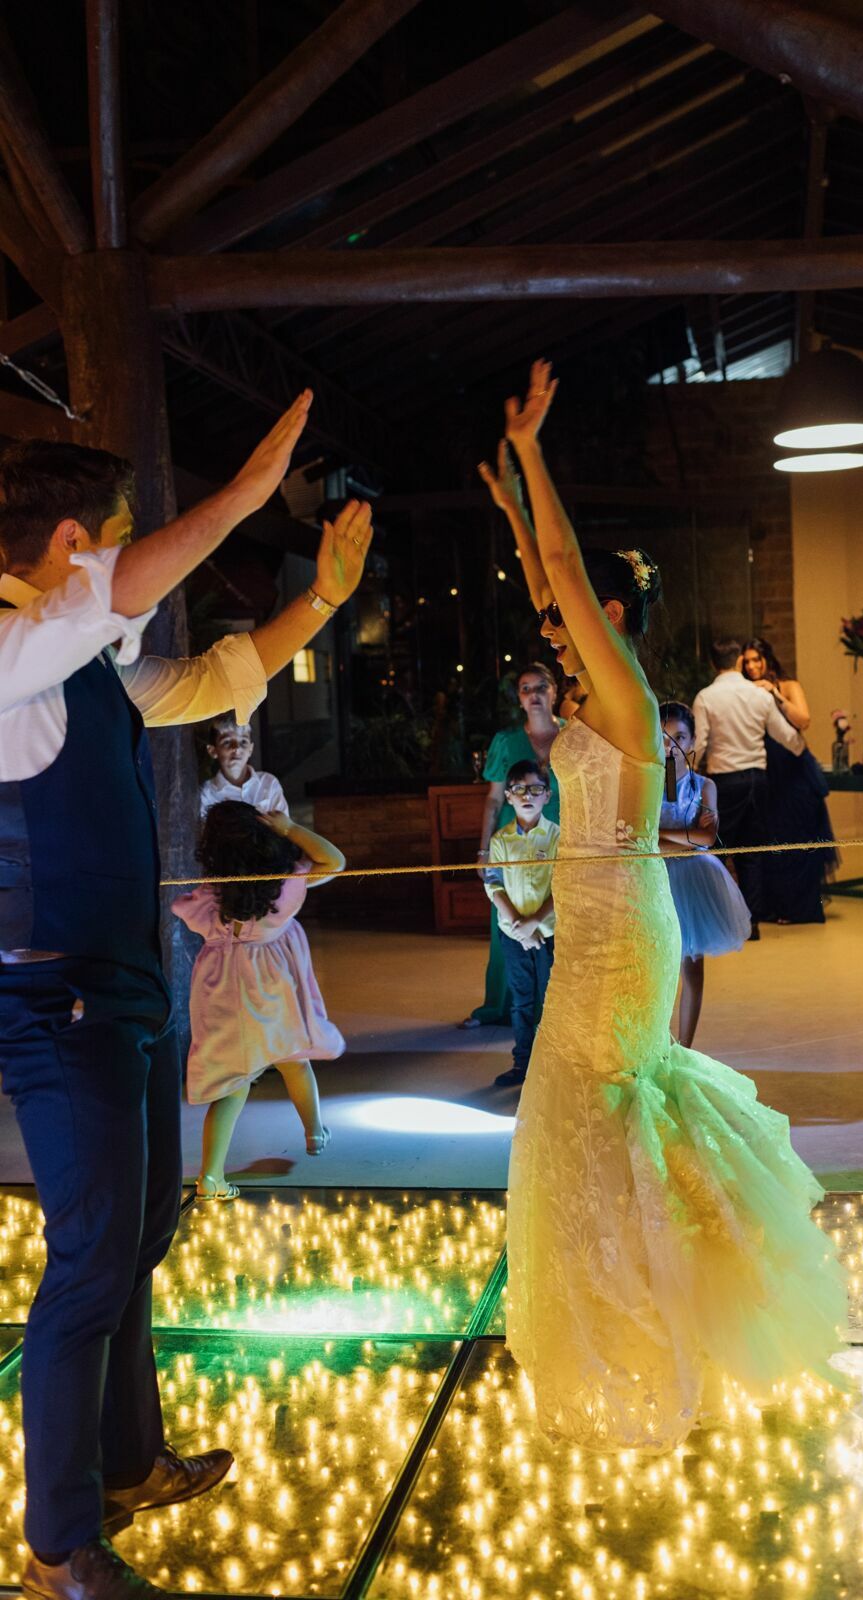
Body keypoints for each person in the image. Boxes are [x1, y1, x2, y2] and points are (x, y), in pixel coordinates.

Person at [0, 397, 373, 1598]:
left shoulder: (80, 656)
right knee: (93, 1253)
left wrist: (320, 596)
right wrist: (247, 494)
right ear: (69, 545)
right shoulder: (8, 654)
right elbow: (116, 597)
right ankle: (60, 1539)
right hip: (53, 998)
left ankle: (126, 1463)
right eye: (110, 538)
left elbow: (210, 677)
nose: (127, 562)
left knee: (143, 1230)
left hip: (124, 983)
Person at [478, 360, 846, 1451]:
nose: (560, 628)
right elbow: (541, 575)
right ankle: (618, 1299)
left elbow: (557, 563)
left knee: (604, 1103)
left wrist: (534, 456)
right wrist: (507, 502)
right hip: (591, 912)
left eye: (581, 615)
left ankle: (652, 1306)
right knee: (582, 1109)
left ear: (618, 616)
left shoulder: (634, 698)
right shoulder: (596, 694)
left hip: (620, 928)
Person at [174, 802, 346, 1198]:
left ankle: (211, 1176)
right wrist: (288, 828)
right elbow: (334, 860)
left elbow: (187, 909)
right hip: (270, 985)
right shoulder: (283, 885)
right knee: (293, 1059)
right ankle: (314, 1133)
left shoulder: (212, 896)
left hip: (220, 988)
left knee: (235, 1084)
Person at [461, 656, 563, 1029]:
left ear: (555, 691)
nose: (534, 694)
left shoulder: (571, 735)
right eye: (526, 689)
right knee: (509, 918)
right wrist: (484, 849)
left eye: (541, 687)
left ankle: (555, 1009)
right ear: (519, 698)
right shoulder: (506, 741)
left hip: (558, 838)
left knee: (560, 916)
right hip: (512, 841)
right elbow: (492, 798)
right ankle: (502, 1007)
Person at [692, 637, 806, 938]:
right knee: (752, 853)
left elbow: (699, 743)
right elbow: (786, 735)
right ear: (739, 661)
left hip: (724, 781)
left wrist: (686, 774)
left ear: (712, 664)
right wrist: (800, 747)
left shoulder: (705, 697)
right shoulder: (759, 696)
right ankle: (751, 923)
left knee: (717, 851)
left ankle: (718, 919)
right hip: (758, 780)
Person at [659, 702, 750, 1048]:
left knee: (690, 965)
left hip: (694, 881)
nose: (672, 746)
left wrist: (661, 837)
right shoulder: (652, 784)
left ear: (693, 742)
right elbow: (648, 840)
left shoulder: (704, 786)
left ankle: (684, 1046)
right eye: (664, 738)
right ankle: (656, 1042)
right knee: (658, 966)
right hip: (656, 880)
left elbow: (707, 839)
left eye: (679, 737)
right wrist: (685, 836)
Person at [741, 637, 838, 924]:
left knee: (800, 834)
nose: (752, 666)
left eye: (756, 659)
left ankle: (802, 907)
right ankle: (778, 906)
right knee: (773, 837)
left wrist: (775, 694)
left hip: (794, 769)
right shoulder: (744, 691)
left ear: (767, 659)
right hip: (766, 771)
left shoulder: (788, 685)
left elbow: (803, 719)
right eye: (746, 661)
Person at [483, 759, 559, 1089]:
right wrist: (518, 924)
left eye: (535, 789)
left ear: (548, 796)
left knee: (551, 998)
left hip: (549, 933)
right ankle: (523, 1063)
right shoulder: (500, 841)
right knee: (522, 1000)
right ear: (509, 797)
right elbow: (493, 883)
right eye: (518, 789)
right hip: (513, 934)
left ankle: (554, 1065)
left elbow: (565, 885)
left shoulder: (558, 837)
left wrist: (535, 923)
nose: (527, 795)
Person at [200, 711, 288, 818]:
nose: (237, 748)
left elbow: (283, 830)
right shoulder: (207, 794)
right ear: (213, 751)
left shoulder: (268, 784)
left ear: (250, 749)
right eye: (227, 742)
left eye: (243, 742)